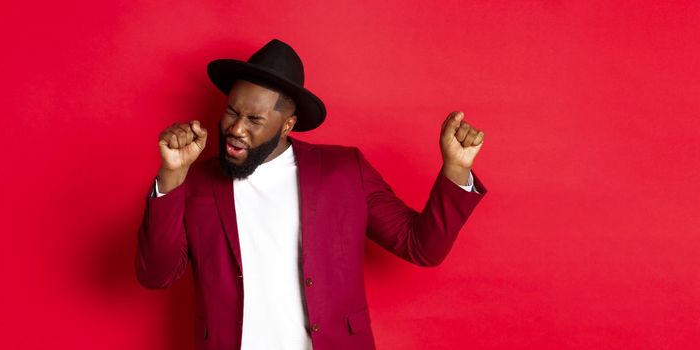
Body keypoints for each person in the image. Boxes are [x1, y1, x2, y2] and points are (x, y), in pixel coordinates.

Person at [136, 39, 487, 350]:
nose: (236, 128)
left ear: (287, 124)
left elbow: (421, 246)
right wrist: (171, 175)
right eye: (232, 111)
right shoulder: (194, 180)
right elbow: (156, 275)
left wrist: (455, 169)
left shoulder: (344, 171)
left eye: (255, 119)